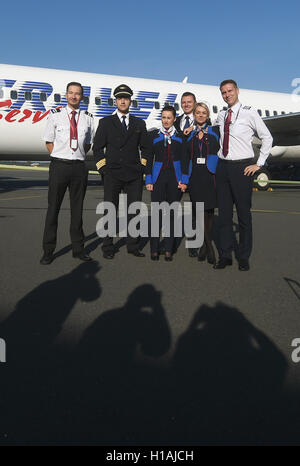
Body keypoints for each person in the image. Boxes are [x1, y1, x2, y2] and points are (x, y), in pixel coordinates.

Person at [214, 79, 273, 271]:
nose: (227, 94)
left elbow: (267, 137)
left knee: (243, 215)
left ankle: (244, 256)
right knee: (223, 215)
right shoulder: (221, 115)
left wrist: (259, 163)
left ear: (237, 91)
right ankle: (225, 255)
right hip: (223, 167)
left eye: (230, 91)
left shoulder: (249, 112)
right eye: (223, 92)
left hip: (242, 168)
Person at [93, 84, 150, 259]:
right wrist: (103, 169)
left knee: (134, 210)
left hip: (133, 174)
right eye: (119, 98)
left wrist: (142, 167)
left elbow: (146, 148)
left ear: (130, 101)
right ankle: (108, 247)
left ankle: (133, 246)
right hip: (113, 173)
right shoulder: (105, 123)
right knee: (110, 210)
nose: (123, 101)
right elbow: (97, 148)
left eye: (125, 98)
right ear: (115, 101)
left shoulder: (139, 123)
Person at [40, 82, 94, 265]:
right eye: (71, 93)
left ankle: (78, 249)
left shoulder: (88, 118)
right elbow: (49, 141)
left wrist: (75, 155)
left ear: (82, 97)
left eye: (77, 94)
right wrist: (61, 155)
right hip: (59, 166)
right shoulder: (55, 116)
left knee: (77, 210)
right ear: (66, 95)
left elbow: (87, 144)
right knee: (53, 209)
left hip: (79, 167)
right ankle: (48, 251)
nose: (74, 96)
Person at [145, 105, 189, 261]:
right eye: (163, 117)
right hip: (158, 178)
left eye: (169, 117)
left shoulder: (180, 137)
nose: (166, 120)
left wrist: (184, 180)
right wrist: (148, 179)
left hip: (175, 178)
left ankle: (169, 248)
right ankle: (154, 248)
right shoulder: (154, 136)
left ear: (174, 119)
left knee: (171, 213)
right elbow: (149, 159)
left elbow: (185, 160)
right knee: (156, 213)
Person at [186, 103, 219, 265]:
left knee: (210, 211)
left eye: (203, 113)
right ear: (194, 115)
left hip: (210, 174)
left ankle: (204, 248)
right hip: (195, 176)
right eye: (197, 112)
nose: (200, 115)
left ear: (207, 115)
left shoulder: (214, 132)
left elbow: (219, 150)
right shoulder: (189, 134)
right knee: (199, 211)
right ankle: (209, 247)